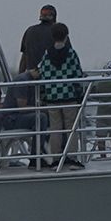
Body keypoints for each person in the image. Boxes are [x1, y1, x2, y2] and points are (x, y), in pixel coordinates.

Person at [32, 22, 86, 170]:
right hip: (69, 96)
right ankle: (72, 158)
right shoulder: (71, 53)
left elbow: (43, 74)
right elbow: (77, 74)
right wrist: (79, 93)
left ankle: (56, 159)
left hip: (52, 97)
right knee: (71, 128)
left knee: (55, 129)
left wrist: (45, 94)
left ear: (52, 36)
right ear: (66, 36)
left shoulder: (47, 55)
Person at [17, 4, 58, 76]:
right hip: (52, 76)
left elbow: (24, 57)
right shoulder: (58, 32)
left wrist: (20, 76)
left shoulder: (30, 31)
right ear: (54, 17)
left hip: (32, 76)